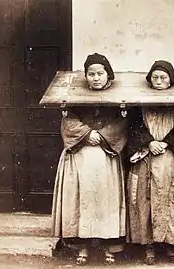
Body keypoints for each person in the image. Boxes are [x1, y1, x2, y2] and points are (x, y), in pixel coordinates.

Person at [51, 53, 127, 266]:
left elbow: (122, 125)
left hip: (106, 157)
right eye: (91, 74)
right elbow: (68, 122)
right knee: (81, 200)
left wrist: (101, 136)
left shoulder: (118, 100)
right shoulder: (74, 100)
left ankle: (108, 246)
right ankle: (81, 246)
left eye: (100, 73)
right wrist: (87, 134)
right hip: (80, 156)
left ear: (107, 75)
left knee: (105, 201)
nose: (95, 78)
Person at [126, 60, 174, 265]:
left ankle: (171, 245)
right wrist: (149, 143)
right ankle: (149, 247)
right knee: (146, 202)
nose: (158, 81)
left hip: (172, 160)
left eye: (163, 78)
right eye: (155, 77)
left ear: (171, 81)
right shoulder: (138, 106)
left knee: (171, 202)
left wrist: (166, 143)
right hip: (146, 159)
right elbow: (133, 128)